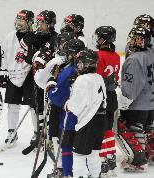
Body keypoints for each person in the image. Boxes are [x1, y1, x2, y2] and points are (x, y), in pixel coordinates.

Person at [64, 49, 107, 178]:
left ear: (86, 64)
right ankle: (95, 175)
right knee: (94, 153)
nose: (78, 65)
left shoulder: (82, 79)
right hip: (101, 120)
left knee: (79, 155)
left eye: (80, 63)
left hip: (89, 122)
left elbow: (75, 106)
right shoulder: (99, 77)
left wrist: (67, 105)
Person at [116, 26, 154, 171]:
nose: (131, 41)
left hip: (137, 104)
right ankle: (149, 152)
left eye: (134, 38)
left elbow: (132, 87)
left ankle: (136, 160)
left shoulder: (135, 59)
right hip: (150, 102)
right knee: (145, 129)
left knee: (129, 129)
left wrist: (124, 102)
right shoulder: (150, 54)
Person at [19, 10, 58, 146]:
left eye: (43, 23)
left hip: (51, 79)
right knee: (37, 107)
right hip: (35, 78)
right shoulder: (34, 36)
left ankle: (51, 135)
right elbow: (28, 56)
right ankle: (40, 132)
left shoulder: (56, 38)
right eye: (39, 22)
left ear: (51, 24)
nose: (39, 25)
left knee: (51, 108)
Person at [46, 39, 85, 177]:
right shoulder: (86, 69)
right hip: (85, 116)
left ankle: (65, 172)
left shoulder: (69, 71)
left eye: (68, 52)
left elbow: (56, 97)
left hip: (68, 116)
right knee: (81, 148)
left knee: (66, 145)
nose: (66, 55)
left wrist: (50, 84)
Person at [0, 10, 35, 146]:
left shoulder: (34, 36)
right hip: (13, 74)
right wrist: (3, 71)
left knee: (33, 106)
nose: (19, 22)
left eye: (22, 20)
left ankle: (37, 133)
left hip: (29, 75)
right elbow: (4, 55)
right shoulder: (10, 36)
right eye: (18, 19)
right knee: (12, 105)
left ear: (30, 22)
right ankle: (12, 131)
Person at [93, 26, 120, 177]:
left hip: (101, 97)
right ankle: (111, 158)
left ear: (104, 39)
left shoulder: (99, 55)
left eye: (99, 37)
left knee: (100, 130)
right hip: (112, 96)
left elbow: (96, 79)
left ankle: (102, 162)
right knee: (108, 129)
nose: (97, 40)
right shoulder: (116, 55)